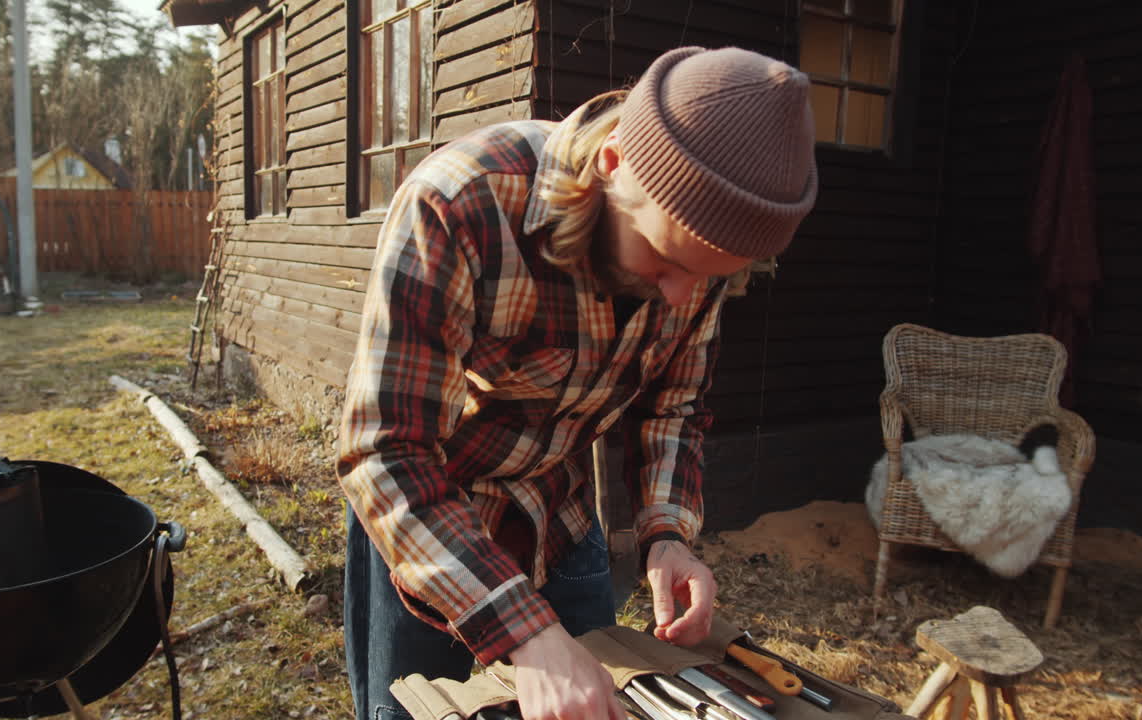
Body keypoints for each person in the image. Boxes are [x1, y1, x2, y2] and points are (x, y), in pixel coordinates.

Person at [337, 46, 818, 720]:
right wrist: (528, 632)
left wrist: (667, 533)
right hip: (429, 526)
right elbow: (384, 452)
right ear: (614, 167)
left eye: (715, 280)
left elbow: (673, 406)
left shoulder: (696, 256)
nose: (683, 298)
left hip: (560, 517)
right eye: (664, 264)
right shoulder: (461, 203)